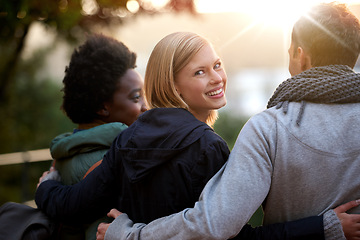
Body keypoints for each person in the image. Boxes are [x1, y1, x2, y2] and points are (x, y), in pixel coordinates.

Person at [37, 31, 352, 240]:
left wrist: (46, 187)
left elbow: (72, 204)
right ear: (172, 85)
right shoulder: (208, 147)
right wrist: (322, 228)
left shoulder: (127, 139)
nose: (217, 78)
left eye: (217, 65)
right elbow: (230, 235)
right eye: (200, 72)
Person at [47, 33, 147, 240]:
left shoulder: (67, 151)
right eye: (136, 97)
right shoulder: (115, 160)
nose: (146, 107)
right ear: (103, 107)